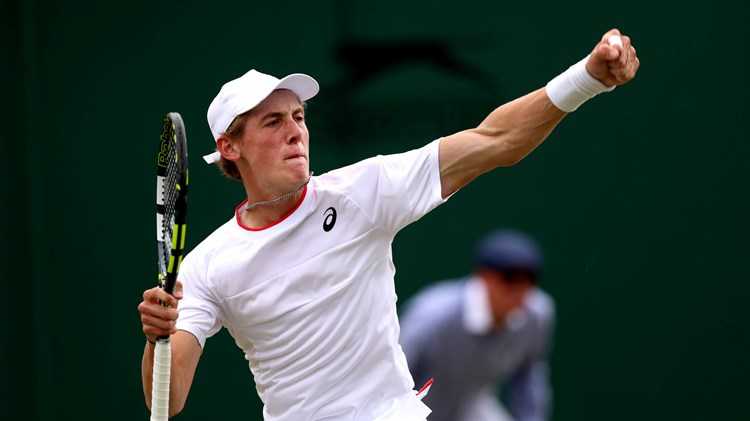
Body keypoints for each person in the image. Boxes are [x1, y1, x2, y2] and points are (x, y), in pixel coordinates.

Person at [138, 29, 639, 421]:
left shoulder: (362, 191)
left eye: (298, 116)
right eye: (273, 123)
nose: (295, 132)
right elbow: (170, 397)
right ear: (231, 147)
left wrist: (588, 78)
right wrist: (157, 338)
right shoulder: (206, 265)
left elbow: (495, 140)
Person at [399, 229, 554, 421]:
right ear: (484, 277)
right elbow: (392, 380)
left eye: (529, 280)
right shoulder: (433, 317)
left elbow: (528, 379)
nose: (519, 291)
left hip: (474, 410)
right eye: (509, 278)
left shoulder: (537, 315)